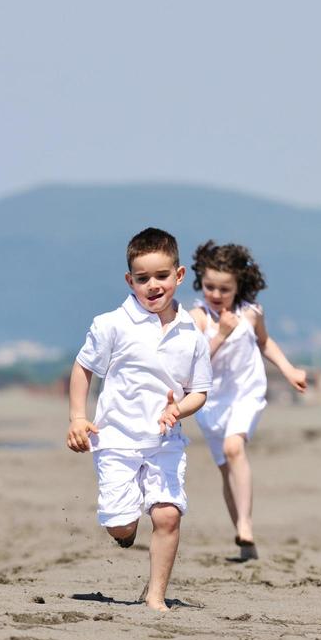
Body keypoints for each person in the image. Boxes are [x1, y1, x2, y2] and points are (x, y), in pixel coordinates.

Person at [66, 227, 212, 611]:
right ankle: (124, 531)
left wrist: (177, 409)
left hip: (165, 442)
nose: (153, 286)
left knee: (167, 516)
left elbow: (200, 391)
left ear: (178, 276)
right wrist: (78, 417)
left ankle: (155, 596)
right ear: (130, 280)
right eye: (143, 278)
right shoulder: (111, 324)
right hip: (115, 440)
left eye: (161, 276)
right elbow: (83, 368)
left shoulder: (192, 334)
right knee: (122, 523)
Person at [187, 241, 308, 561]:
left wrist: (289, 369)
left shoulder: (251, 313)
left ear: (239, 285)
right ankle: (244, 540)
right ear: (201, 281)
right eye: (210, 286)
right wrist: (221, 334)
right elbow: (193, 361)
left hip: (246, 392)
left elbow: (266, 343)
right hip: (211, 401)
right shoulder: (197, 317)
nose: (216, 294)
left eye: (224, 289)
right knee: (226, 467)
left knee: (234, 448)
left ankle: (246, 523)